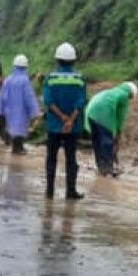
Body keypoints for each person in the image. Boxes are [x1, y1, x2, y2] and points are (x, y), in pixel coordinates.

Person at [42, 42, 87, 200]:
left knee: (51, 158)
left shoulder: (51, 78)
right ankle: (70, 191)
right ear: (74, 60)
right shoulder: (80, 79)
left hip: (54, 126)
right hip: (73, 127)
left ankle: (49, 192)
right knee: (71, 159)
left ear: (57, 60)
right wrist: (70, 120)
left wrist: (61, 118)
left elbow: (48, 100)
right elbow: (81, 101)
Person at [84, 81, 138, 176]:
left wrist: (116, 133)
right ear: (131, 93)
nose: (129, 99)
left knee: (97, 141)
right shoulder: (124, 95)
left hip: (90, 111)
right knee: (107, 141)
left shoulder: (112, 92)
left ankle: (101, 167)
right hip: (102, 112)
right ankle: (108, 168)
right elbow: (120, 115)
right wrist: (119, 132)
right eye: (131, 97)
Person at [0, 54, 42, 155]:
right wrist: (35, 111)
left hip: (10, 110)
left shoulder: (8, 79)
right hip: (22, 110)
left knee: (13, 127)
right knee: (20, 127)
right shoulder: (25, 81)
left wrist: (0, 109)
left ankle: (16, 147)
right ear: (25, 67)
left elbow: (2, 96)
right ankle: (18, 148)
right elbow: (29, 97)